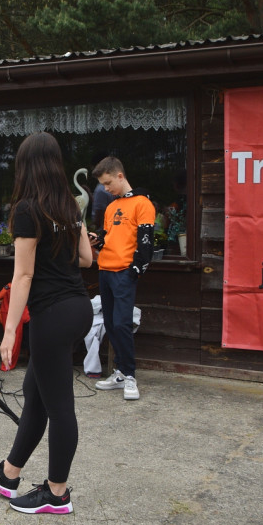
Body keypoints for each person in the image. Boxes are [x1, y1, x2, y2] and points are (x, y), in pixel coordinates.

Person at [0, 132, 93, 514]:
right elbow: (87, 259)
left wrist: (9, 331)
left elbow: (23, 276)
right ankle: (8, 473)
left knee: (59, 405)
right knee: (35, 393)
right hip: (77, 308)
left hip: (52, 315)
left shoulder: (27, 209)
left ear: (25, 167)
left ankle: (57, 494)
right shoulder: (69, 206)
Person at [91, 155, 155, 401]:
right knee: (111, 322)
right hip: (105, 270)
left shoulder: (143, 203)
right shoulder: (111, 206)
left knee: (122, 324)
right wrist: (96, 238)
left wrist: (135, 270)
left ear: (120, 175)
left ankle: (129, 375)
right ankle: (119, 372)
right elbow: (108, 235)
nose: (105, 189)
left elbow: (146, 242)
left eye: (108, 183)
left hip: (124, 272)